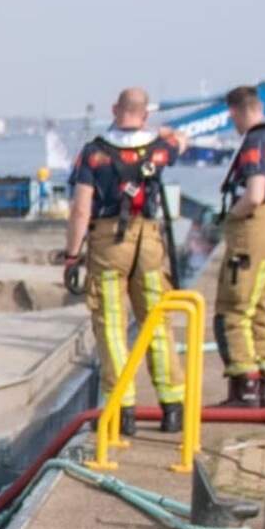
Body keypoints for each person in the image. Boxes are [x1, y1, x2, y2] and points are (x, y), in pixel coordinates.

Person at [60, 88, 184, 435]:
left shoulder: (94, 153)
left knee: (112, 325)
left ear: (115, 109)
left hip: (109, 242)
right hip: (149, 242)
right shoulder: (158, 149)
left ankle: (122, 410)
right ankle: (173, 407)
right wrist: (158, 130)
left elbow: (81, 208)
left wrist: (72, 255)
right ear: (145, 115)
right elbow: (179, 141)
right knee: (157, 321)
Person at [214, 87, 265, 409]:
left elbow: (255, 194)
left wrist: (229, 217)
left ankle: (244, 388)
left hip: (254, 231)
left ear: (235, 111)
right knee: (264, 310)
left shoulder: (255, 142)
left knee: (234, 309)